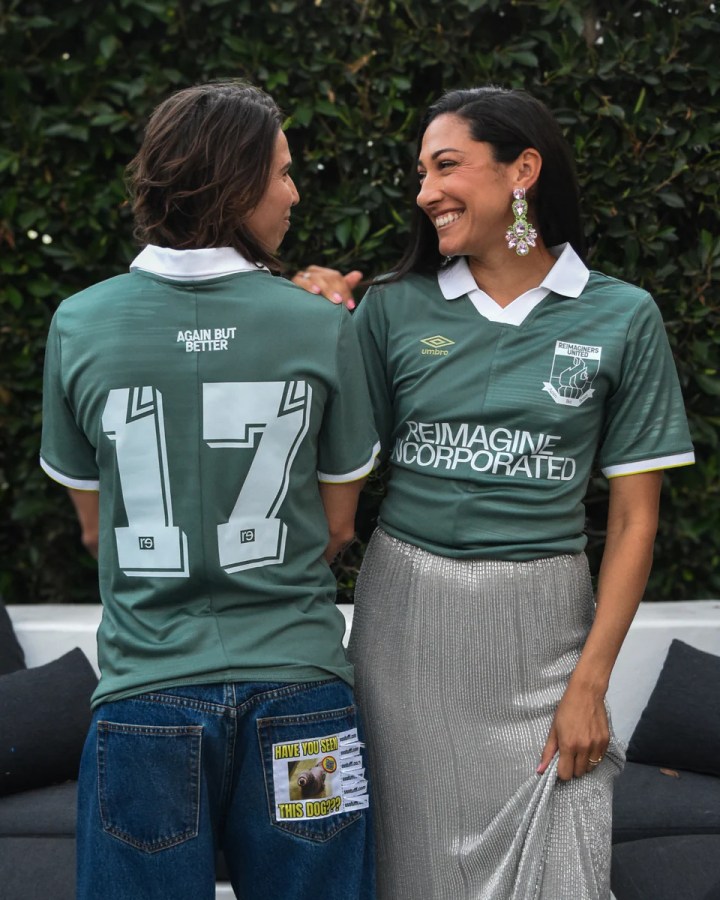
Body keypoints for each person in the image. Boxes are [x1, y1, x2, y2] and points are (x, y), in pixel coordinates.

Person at [298, 86, 695, 899]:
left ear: (523, 169)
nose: (424, 192)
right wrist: (301, 323)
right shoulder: (391, 309)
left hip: (546, 629)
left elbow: (633, 522)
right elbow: (323, 471)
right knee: (409, 865)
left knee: (568, 859)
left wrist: (590, 684)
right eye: (419, 173)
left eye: (446, 166)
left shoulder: (623, 315)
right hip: (406, 625)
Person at [40, 81, 379, 900]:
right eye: (283, 172)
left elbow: (96, 528)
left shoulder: (79, 322)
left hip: (146, 707)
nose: (296, 192)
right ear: (233, 183)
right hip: (303, 703)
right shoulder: (318, 322)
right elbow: (338, 526)